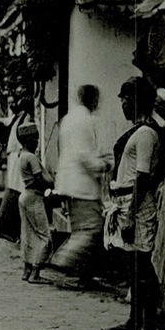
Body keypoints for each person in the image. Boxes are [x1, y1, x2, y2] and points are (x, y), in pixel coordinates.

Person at [103, 76, 165, 330]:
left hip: (137, 205)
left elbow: (143, 177)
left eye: (126, 100)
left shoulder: (147, 134)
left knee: (143, 266)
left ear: (137, 100)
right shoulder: (139, 131)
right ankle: (134, 321)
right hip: (127, 202)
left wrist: (129, 216)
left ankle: (148, 328)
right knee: (133, 266)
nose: (123, 106)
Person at [51, 85, 110, 285]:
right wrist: (101, 165)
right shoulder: (84, 120)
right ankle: (63, 260)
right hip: (82, 185)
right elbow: (84, 154)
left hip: (69, 182)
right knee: (92, 229)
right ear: (92, 100)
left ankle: (80, 275)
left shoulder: (69, 118)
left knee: (81, 229)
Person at [16, 123, 54, 283]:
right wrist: (51, 184)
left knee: (28, 235)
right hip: (34, 197)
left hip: (25, 196)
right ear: (28, 139)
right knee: (45, 236)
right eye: (35, 138)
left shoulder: (22, 155)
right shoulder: (31, 157)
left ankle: (27, 270)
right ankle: (36, 273)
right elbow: (39, 179)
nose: (37, 141)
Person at [0, 96, 33, 241]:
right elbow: (7, 121)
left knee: (17, 191)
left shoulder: (27, 118)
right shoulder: (18, 117)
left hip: (19, 155)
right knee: (13, 189)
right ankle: (5, 227)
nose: (11, 105)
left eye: (14, 102)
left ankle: (9, 227)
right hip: (13, 156)